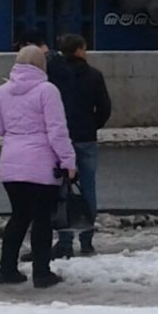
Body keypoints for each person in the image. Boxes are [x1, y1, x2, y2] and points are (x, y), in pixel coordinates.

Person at [0, 45, 77, 287]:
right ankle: (41, 273)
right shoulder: (47, 91)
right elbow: (57, 131)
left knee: (18, 217)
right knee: (42, 219)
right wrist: (69, 162)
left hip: (11, 167)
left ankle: (7, 270)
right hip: (41, 166)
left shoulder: (2, 91)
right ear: (42, 65)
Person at [49, 33, 112, 259]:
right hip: (85, 138)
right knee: (88, 188)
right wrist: (92, 125)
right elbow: (104, 107)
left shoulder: (54, 76)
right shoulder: (94, 76)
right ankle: (87, 240)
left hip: (60, 138)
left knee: (62, 190)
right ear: (78, 50)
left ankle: (65, 241)